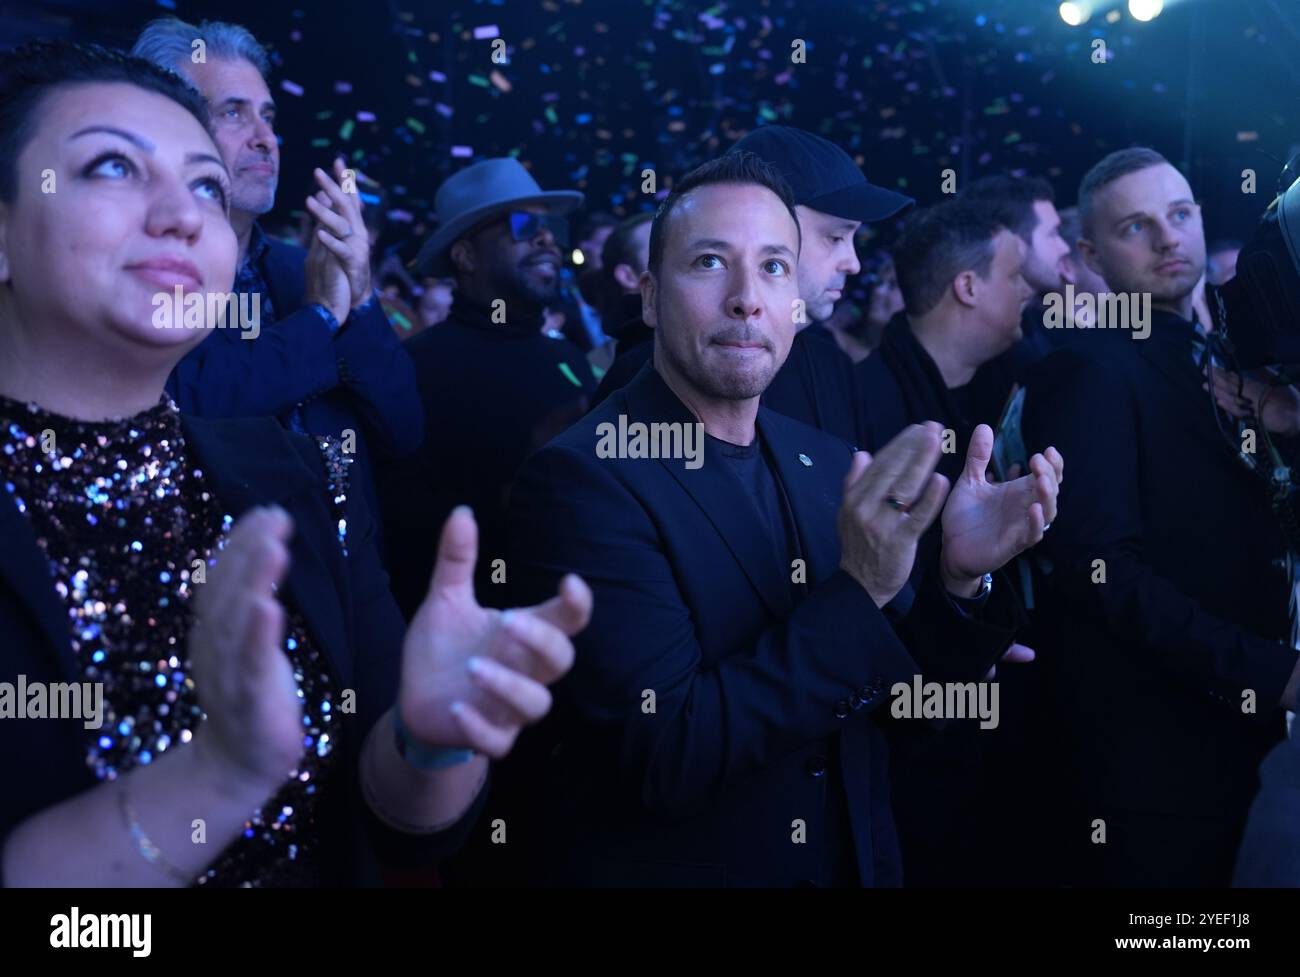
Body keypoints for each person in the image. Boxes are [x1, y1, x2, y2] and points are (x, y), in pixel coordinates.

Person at [0, 40, 589, 887]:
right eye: (112, 168)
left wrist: (429, 739)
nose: (186, 214)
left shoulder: (286, 476)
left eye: (205, 184)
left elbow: (397, 821)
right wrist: (224, 772)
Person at [508, 152, 1063, 887]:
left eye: (774, 267)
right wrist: (862, 589)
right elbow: (667, 756)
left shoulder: (827, 460)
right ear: (648, 297)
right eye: (710, 262)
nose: (746, 298)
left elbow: (884, 715)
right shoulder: (582, 480)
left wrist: (958, 580)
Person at [1021, 147, 1300, 886]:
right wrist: (1275, 674)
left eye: (1179, 215)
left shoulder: (1216, 356)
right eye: (1136, 226)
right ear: (1088, 254)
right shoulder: (1087, 368)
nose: (1169, 238)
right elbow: (1102, 573)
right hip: (1152, 770)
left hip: (1237, 749)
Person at [131, 18, 422, 525]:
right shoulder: (142, 268)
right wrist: (320, 321)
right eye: (233, 113)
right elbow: (185, 407)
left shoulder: (304, 267)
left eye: (268, 116)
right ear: (165, 128)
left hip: (353, 587)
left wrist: (361, 297)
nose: (266, 138)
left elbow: (404, 431)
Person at [376, 157, 599, 619]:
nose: (545, 239)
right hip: (471, 647)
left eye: (551, 226)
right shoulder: (411, 371)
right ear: (465, 255)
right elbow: (400, 535)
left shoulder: (571, 361)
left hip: (584, 635)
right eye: (522, 225)